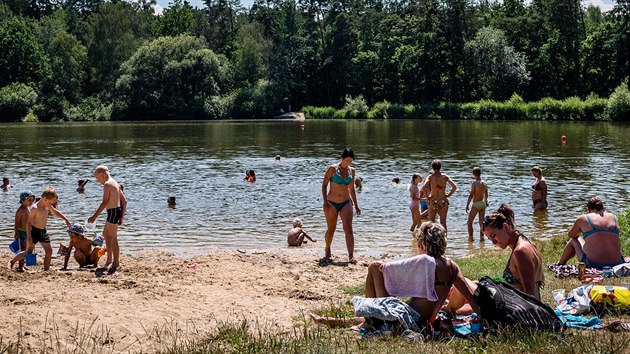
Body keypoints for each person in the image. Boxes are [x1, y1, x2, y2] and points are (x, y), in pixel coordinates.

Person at [313, 222, 480, 331]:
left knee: (374, 267)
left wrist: (385, 268)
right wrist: (485, 320)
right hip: (424, 323)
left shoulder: (424, 261)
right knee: (385, 308)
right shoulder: (452, 266)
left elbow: (386, 268)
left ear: (422, 244)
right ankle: (333, 320)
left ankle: (369, 323)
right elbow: (471, 298)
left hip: (408, 321)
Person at [483, 204, 544, 299]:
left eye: (494, 235)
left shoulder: (520, 252)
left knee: (471, 287)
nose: (494, 242)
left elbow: (530, 295)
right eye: (490, 239)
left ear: (506, 227)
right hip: (517, 304)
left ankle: (453, 310)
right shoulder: (527, 243)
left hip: (521, 309)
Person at [558, 197, 625, 268]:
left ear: (588, 210)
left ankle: (560, 264)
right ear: (603, 208)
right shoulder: (614, 217)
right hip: (617, 263)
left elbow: (571, 235)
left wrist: (580, 230)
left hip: (593, 264)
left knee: (574, 239)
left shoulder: (583, 218)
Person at [321, 148, 361, 264]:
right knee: (331, 229)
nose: (348, 163)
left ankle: (351, 255)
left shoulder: (352, 171)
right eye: (346, 160)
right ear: (342, 158)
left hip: (346, 202)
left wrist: (357, 206)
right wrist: (325, 202)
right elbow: (324, 185)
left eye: (350, 161)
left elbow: (352, 190)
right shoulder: (332, 169)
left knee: (348, 228)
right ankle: (327, 249)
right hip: (331, 203)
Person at [88, 165, 126, 272]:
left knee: (113, 237)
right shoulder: (116, 183)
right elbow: (124, 201)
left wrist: (94, 217)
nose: (98, 181)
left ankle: (116, 262)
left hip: (113, 212)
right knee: (105, 234)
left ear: (102, 174)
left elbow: (104, 202)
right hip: (115, 211)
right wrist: (122, 216)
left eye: (97, 179)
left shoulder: (107, 184)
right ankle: (109, 260)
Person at [25, 187, 72, 271]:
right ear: (45, 199)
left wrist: (66, 219)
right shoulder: (34, 208)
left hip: (43, 231)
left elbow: (55, 212)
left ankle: (46, 270)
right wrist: (29, 237)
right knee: (28, 252)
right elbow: (28, 223)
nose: (52, 204)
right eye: (52, 202)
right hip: (34, 231)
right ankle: (14, 262)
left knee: (49, 251)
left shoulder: (47, 206)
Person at [421, 159, 457, 231]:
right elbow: (454, 187)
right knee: (443, 223)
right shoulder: (444, 176)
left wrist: (428, 197)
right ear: (440, 167)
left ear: (432, 167)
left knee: (432, 223)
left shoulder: (430, 177)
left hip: (433, 200)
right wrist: (448, 195)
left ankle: (433, 239)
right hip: (442, 200)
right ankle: (444, 240)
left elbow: (423, 187)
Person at [8, 191, 35, 271]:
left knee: (26, 249)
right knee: (23, 250)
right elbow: (16, 223)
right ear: (22, 200)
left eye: (32, 200)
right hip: (22, 232)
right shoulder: (20, 211)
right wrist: (16, 233)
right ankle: (19, 266)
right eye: (29, 200)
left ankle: (22, 265)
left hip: (28, 232)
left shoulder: (27, 208)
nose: (31, 202)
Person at [465, 167, 489, 241]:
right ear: (480, 173)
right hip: (483, 203)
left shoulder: (474, 183)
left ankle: (471, 238)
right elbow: (486, 195)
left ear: (473, 174)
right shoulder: (484, 183)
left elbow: (471, 195)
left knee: (469, 222)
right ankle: (482, 239)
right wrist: (485, 202)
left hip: (476, 204)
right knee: (481, 223)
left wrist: (467, 205)